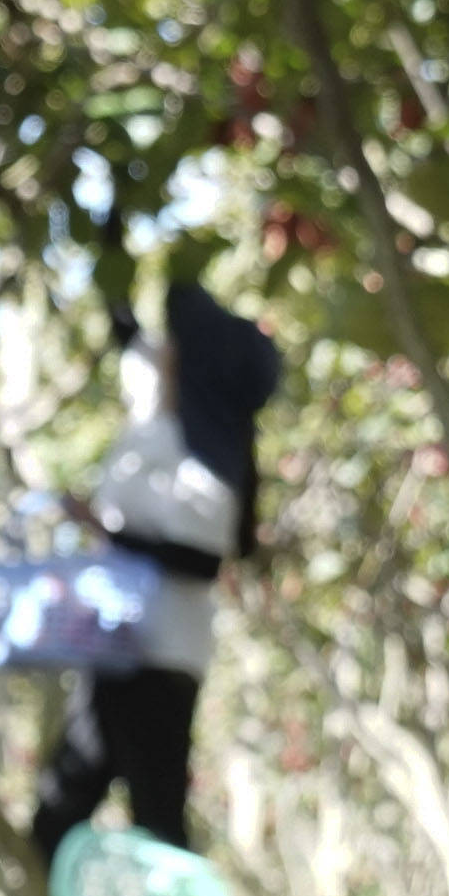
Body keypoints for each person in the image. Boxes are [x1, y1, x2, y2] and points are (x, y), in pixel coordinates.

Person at [28, 272, 281, 865]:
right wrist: (111, 219)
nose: (160, 350)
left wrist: (103, 528)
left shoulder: (209, 463)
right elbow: (126, 330)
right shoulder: (155, 416)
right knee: (65, 801)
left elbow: (198, 561)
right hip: (116, 647)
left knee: (155, 813)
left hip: (161, 657)